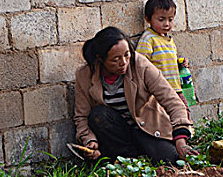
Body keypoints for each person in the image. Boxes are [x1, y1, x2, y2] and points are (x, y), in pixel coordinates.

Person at [74, 26, 199, 164]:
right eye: (115, 59)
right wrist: (89, 140)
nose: (123, 63)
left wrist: (180, 140)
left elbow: (172, 101)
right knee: (99, 115)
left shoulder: (140, 65)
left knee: (170, 160)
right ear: (100, 59)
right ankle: (126, 157)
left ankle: (136, 154)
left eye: (126, 55)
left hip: (148, 130)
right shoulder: (85, 75)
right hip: (117, 135)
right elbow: (81, 116)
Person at [136, 0, 192, 111]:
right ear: (148, 19)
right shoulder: (148, 39)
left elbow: (167, 60)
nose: (166, 24)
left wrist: (180, 64)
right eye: (161, 20)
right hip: (160, 92)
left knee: (183, 115)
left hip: (176, 88)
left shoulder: (168, 39)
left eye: (170, 19)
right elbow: (140, 63)